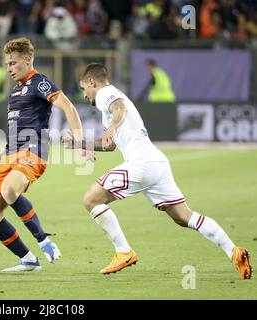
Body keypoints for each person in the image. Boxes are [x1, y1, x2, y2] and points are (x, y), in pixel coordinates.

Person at [64, 63, 252, 279]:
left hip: (141, 164)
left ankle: (123, 251)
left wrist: (113, 126)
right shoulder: (109, 103)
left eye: (83, 88)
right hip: (156, 163)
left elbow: (120, 108)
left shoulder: (106, 94)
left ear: (92, 82)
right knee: (184, 217)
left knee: (91, 200)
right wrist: (80, 143)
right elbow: (109, 145)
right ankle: (234, 252)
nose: (84, 94)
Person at [0, 37, 92, 272]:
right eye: (7, 64)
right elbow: (16, 128)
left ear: (28, 59)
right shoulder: (14, 92)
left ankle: (44, 240)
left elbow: (69, 107)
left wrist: (81, 142)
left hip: (33, 152)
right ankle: (29, 260)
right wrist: (2, 153)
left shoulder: (39, 83)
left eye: (13, 63)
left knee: (10, 189)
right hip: (11, 153)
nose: (9, 69)